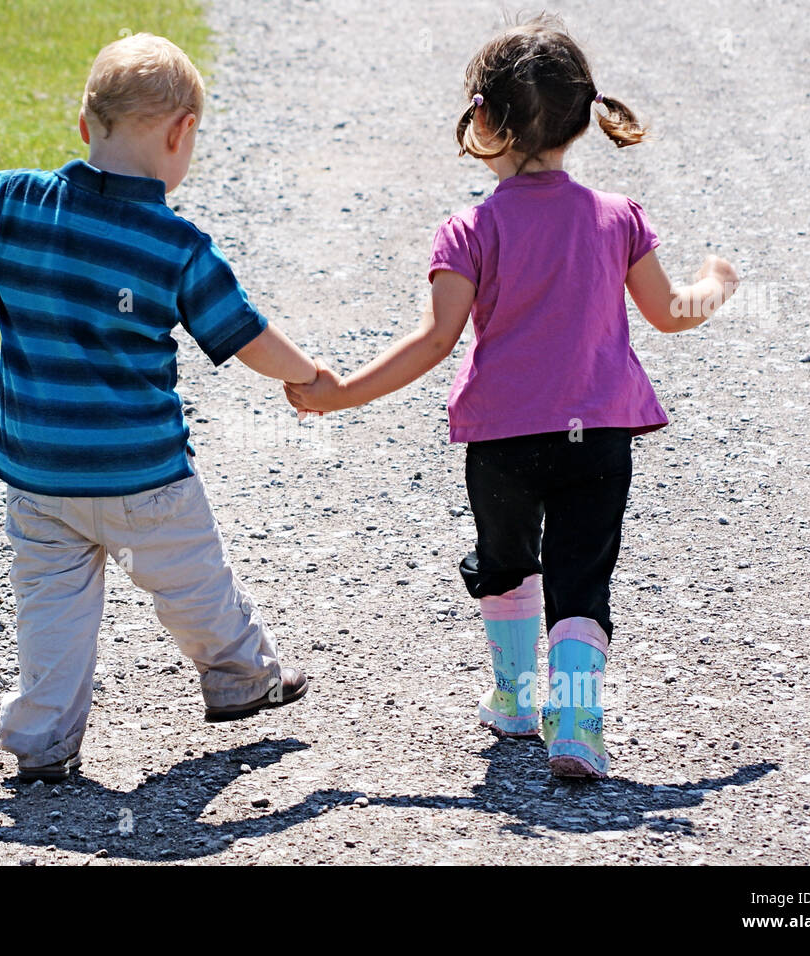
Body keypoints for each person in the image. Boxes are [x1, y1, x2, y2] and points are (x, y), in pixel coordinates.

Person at [0, 33, 315, 784]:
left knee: (51, 612)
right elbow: (245, 334)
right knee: (194, 585)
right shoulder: (174, 245)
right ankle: (241, 676)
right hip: (145, 477)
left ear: (85, 127)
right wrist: (308, 376)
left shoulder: (13, 203)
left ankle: (44, 737)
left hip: (40, 475)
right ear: (181, 134)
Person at [286, 15, 738, 778]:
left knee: (506, 562)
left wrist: (339, 394)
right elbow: (669, 313)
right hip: (597, 436)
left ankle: (517, 698)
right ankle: (577, 727)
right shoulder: (618, 218)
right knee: (579, 575)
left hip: (502, 441)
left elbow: (433, 343)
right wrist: (717, 286)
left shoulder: (470, 228)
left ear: (484, 119)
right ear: (580, 121)